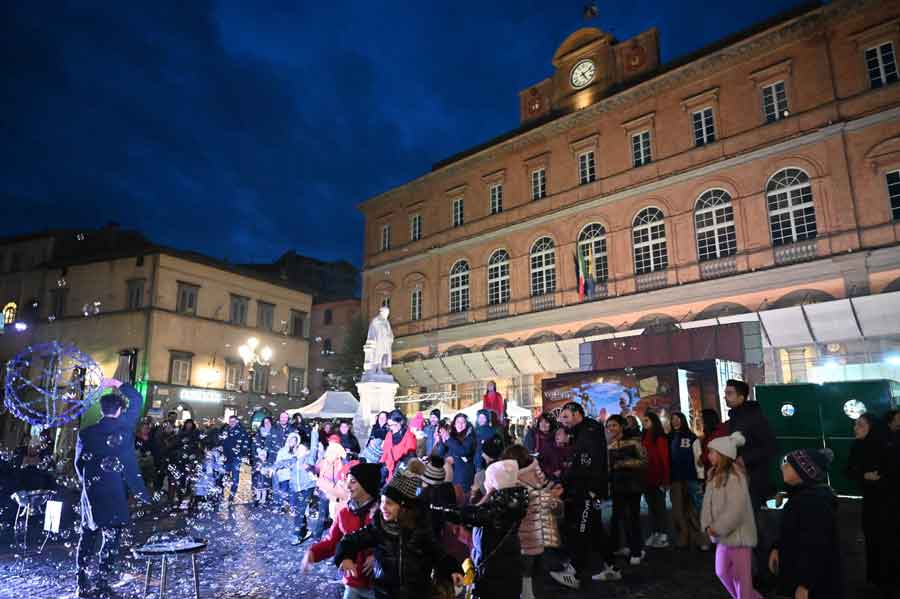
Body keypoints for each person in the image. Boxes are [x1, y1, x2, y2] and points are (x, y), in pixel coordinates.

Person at [335, 460, 464, 599]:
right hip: (384, 595)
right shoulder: (379, 527)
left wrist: (452, 569)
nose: (383, 507)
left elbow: (438, 554)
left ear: (403, 507)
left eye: (389, 503)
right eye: (382, 502)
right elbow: (350, 540)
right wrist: (345, 556)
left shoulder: (420, 529)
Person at [75, 378, 150, 599]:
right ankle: (102, 583)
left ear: (102, 409)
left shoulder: (86, 433)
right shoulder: (124, 428)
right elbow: (137, 399)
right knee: (111, 539)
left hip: (91, 491)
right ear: (119, 410)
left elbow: (78, 463)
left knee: (87, 536)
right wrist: (117, 383)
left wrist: (87, 484)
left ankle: (82, 583)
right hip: (114, 491)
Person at [431, 459, 528, 599]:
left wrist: (437, 509)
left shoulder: (497, 509)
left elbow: (466, 515)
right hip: (507, 571)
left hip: (495, 576)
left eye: (488, 479)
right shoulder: (511, 502)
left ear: (494, 483)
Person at [550, 402, 618, 589]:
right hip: (585, 488)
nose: (562, 421)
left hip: (589, 489)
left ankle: (575, 572)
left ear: (577, 414)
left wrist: (566, 483)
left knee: (581, 529)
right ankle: (611, 566)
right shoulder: (582, 431)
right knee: (594, 529)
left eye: (565, 416)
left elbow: (585, 464)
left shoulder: (589, 431)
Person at [769, 448, 842, 599]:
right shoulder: (800, 497)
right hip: (797, 570)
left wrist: (805, 584)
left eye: (788, 464)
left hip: (812, 583)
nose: (783, 467)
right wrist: (777, 547)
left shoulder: (814, 503)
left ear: (802, 473)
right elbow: (789, 531)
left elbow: (816, 547)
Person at [302, 462, 382, 599]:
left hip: (379, 585)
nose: (347, 486)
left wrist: (377, 556)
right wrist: (313, 552)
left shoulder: (383, 512)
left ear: (367, 484)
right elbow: (332, 542)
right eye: (347, 481)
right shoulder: (344, 513)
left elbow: (394, 542)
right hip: (353, 583)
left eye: (353, 482)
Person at [724, 379, 776, 587]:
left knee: (752, 528)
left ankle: (765, 574)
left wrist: (746, 459)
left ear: (741, 396)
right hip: (741, 480)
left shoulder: (754, 417)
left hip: (753, 481)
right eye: (725, 392)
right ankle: (755, 571)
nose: (725, 396)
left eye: (729, 393)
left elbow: (771, 446)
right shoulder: (736, 417)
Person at [700, 432, 762, 599]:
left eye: (712, 452)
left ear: (723, 455)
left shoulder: (734, 476)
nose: (709, 455)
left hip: (738, 537)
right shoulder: (714, 475)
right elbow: (707, 503)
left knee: (742, 581)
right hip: (722, 536)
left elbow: (736, 508)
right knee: (722, 572)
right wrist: (708, 524)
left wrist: (717, 527)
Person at [504, 445, 562, 599]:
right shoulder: (536, 470)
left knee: (525, 565)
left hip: (525, 528)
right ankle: (529, 592)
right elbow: (545, 490)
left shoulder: (512, 478)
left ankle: (527, 593)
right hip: (540, 525)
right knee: (533, 564)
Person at [846, 413, 893, 594]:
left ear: (872, 427)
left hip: (890, 502)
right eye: (856, 424)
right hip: (871, 501)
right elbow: (849, 470)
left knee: (888, 539)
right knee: (872, 537)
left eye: (860, 425)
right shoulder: (858, 446)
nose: (855, 428)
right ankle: (875, 578)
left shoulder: (888, 446)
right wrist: (864, 476)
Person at [605, 414, 646, 570]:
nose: (611, 429)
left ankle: (637, 551)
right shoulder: (609, 444)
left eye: (614, 425)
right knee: (617, 518)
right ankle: (623, 546)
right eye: (609, 426)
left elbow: (644, 461)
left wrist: (624, 463)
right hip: (617, 486)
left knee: (632, 518)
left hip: (633, 486)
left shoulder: (634, 442)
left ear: (622, 426)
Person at [668, 411, 706, 550]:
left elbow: (698, 458)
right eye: (672, 419)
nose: (675, 421)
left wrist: (700, 477)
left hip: (691, 477)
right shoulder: (669, 437)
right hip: (675, 479)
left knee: (694, 509)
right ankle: (683, 537)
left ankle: (701, 539)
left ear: (683, 420)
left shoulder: (691, 437)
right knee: (678, 510)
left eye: (677, 419)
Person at [641, 410, 671, 548]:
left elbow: (664, 459)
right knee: (651, 508)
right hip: (647, 478)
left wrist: (665, 480)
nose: (644, 423)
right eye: (643, 420)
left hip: (658, 478)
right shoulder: (644, 436)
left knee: (660, 507)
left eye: (646, 420)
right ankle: (656, 533)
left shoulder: (659, 437)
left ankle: (663, 534)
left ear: (654, 421)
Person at [315, 435, 350, 538]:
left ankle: (335, 535)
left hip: (335, 492)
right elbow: (317, 469)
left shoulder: (342, 463)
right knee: (322, 512)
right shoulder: (324, 461)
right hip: (325, 490)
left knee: (335, 514)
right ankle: (317, 535)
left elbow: (344, 475)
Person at [443, 413, 477, 493]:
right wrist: (440, 441)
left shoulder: (470, 437)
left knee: (462, 500)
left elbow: (463, 451)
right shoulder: (452, 436)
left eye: (463, 422)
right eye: (458, 422)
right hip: (450, 474)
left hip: (463, 476)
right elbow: (440, 452)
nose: (460, 424)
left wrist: (448, 439)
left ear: (467, 424)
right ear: (454, 424)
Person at [380, 410, 417, 480]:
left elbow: (410, 459)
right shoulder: (389, 435)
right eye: (388, 425)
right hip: (388, 473)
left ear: (401, 422)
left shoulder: (410, 437)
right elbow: (385, 454)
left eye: (392, 425)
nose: (390, 428)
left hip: (401, 475)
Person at [221, 415, 250, 501]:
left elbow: (245, 444)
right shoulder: (226, 430)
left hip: (236, 457)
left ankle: (231, 496)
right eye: (230, 421)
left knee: (235, 478)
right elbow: (223, 442)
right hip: (226, 457)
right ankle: (221, 494)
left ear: (237, 421)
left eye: (234, 421)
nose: (232, 423)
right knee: (223, 476)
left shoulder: (242, 431)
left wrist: (242, 454)